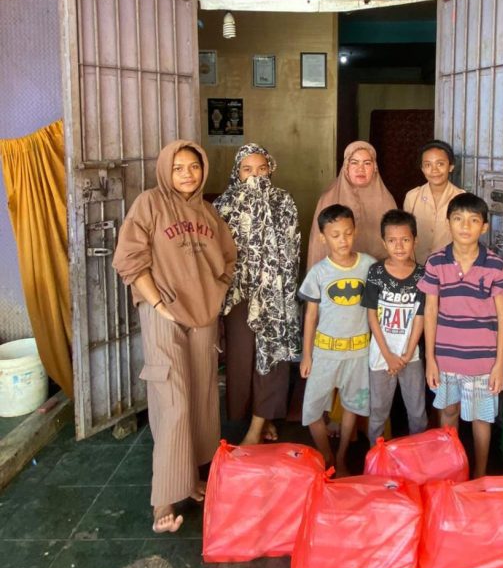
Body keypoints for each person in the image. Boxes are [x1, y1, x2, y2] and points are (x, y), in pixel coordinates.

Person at [113, 140, 237, 534]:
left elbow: (229, 260)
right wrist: (157, 303)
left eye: (194, 167)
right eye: (179, 167)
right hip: (164, 314)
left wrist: (214, 297)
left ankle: (193, 478)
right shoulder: (149, 204)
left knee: (201, 398)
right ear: (166, 169)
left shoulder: (208, 211)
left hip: (202, 315)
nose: (187, 174)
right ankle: (163, 498)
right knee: (173, 400)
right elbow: (129, 259)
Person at [213, 143, 301, 445]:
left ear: (271, 169)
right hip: (239, 296)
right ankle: (255, 417)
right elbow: (216, 256)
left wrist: (280, 288)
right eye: (247, 169)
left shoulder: (283, 202)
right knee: (243, 358)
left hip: (275, 295)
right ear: (237, 172)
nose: (255, 176)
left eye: (262, 169)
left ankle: (258, 424)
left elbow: (292, 250)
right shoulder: (222, 206)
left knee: (271, 357)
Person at [419, 192, 503, 478]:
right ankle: (453, 471)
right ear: (449, 223)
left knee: (482, 419)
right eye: (458, 219)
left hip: (483, 361)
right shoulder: (435, 263)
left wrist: (499, 364)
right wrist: (430, 359)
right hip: (446, 358)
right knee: (448, 413)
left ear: (484, 227)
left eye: (473, 220)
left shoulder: (495, 265)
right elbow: (430, 312)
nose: (465, 226)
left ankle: (480, 474)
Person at [299, 204, 375, 475]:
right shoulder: (319, 273)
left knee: (353, 405)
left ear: (355, 231)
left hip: (358, 351)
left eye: (347, 233)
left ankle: (342, 456)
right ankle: (326, 456)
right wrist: (307, 355)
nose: (342, 240)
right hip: (325, 351)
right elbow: (310, 316)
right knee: (311, 410)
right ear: (323, 237)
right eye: (335, 235)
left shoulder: (368, 265)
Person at [362, 209, 428, 444]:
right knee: (378, 412)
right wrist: (389, 355)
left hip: (411, 356)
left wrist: (408, 353)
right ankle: (375, 461)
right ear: (383, 242)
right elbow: (372, 317)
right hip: (381, 357)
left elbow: (420, 317)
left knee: (418, 413)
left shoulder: (422, 275)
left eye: (405, 240)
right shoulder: (376, 272)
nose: (399, 246)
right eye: (392, 241)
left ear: (415, 240)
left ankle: (416, 461)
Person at [306, 141, 396, 269]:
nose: (361, 169)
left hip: (378, 275)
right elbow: (317, 247)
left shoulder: (387, 200)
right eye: (354, 162)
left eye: (367, 163)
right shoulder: (328, 198)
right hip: (336, 275)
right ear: (346, 167)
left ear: (375, 167)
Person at [403, 140, 464, 265]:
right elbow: (405, 233)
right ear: (422, 168)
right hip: (416, 267)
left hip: (448, 268)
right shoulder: (412, 197)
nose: (434, 170)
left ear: (451, 166)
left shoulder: (462, 198)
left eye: (440, 164)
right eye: (428, 165)